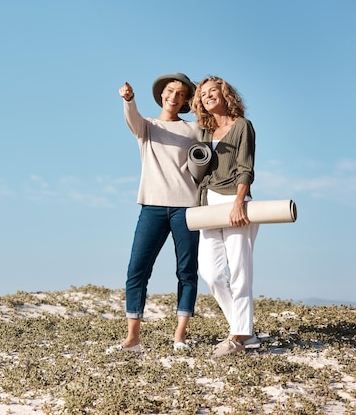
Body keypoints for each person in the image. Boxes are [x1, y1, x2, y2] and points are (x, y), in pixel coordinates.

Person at [107, 73, 201, 354]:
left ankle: (180, 337)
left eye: (181, 93)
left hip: (187, 208)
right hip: (152, 206)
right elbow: (132, 119)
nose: (174, 96)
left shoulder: (195, 130)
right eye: (170, 91)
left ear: (186, 101)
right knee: (137, 270)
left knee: (186, 272)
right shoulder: (147, 127)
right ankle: (132, 339)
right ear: (162, 94)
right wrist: (129, 99)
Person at [191, 76, 260, 357]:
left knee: (240, 271)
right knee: (210, 272)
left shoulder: (242, 126)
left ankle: (237, 336)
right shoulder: (205, 131)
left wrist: (239, 203)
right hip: (208, 203)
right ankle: (245, 332)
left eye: (212, 91)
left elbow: (246, 167)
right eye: (203, 94)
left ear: (225, 94)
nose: (207, 96)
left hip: (235, 201)